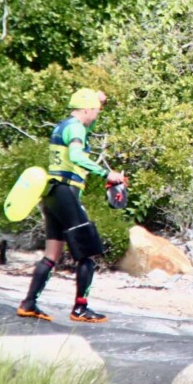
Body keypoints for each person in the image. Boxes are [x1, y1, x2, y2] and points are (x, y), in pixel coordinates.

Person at [17, 88, 125, 323]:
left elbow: (86, 133)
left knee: (52, 255)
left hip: (53, 193)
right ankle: (80, 308)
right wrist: (107, 173)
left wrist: (100, 101)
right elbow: (76, 156)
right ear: (86, 109)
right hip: (67, 192)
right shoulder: (76, 129)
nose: (97, 114)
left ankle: (29, 303)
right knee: (88, 252)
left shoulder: (63, 126)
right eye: (96, 110)